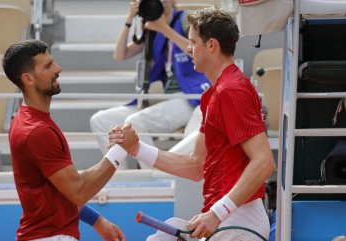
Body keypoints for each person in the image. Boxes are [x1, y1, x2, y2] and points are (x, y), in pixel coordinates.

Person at [109, 7, 276, 240]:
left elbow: (264, 162)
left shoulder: (231, 90)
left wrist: (217, 213)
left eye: (192, 42)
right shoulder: (216, 93)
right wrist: (136, 149)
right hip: (230, 220)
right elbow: (196, 166)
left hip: (238, 223)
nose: (188, 49)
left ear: (211, 45)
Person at [2, 39, 136, 241]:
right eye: (48, 66)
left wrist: (97, 221)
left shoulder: (27, 122)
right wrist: (120, 150)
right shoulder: (37, 131)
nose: (58, 69)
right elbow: (78, 190)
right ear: (28, 79)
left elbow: (63, 190)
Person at [90, 0, 211, 168]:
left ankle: (155, 178)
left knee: (136, 121)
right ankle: (120, 176)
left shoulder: (185, 20)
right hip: (161, 96)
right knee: (101, 120)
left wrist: (165, 29)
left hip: (190, 96)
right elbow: (119, 55)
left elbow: (200, 52)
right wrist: (130, 18)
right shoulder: (152, 26)